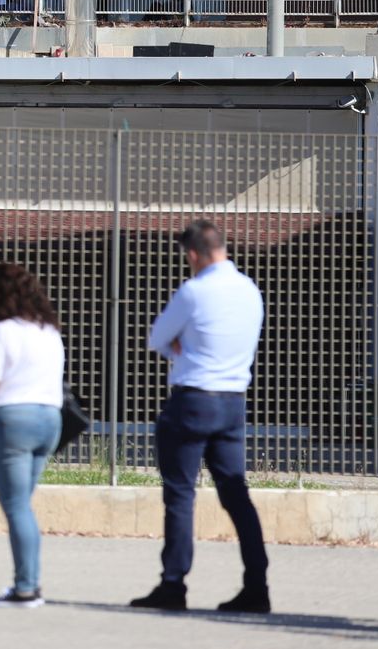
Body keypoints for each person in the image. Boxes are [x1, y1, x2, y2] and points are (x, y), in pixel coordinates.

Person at [130, 220, 270, 615]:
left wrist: (184, 346)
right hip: (232, 402)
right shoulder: (249, 290)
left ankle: (173, 584)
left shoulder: (194, 291)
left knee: (180, 494)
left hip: (192, 399)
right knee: (237, 495)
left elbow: (157, 338)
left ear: (192, 254)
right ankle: (256, 586)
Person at [0, 263, 65, 608]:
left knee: (17, 507)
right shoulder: (49, 331)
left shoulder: (2, 331)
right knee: (24, 505)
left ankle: (25, 588)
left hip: (10, 421)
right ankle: (28, 583)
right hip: (49, 419)